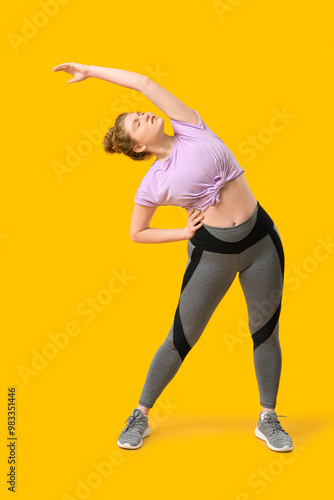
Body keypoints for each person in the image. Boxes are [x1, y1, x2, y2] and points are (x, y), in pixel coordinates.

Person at [52, 62, 294, 453]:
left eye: (139, 113)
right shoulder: (154, 182)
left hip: (262, 243)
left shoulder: (190, 126)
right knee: (181, 338)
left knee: (265, 331)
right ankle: (140, 415)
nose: (144, 114)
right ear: (138, 146)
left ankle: (268, 419)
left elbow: (144, 82)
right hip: (213, 254)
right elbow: (137, 232)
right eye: (136, 123)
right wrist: (182, 233)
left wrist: (90, 71)